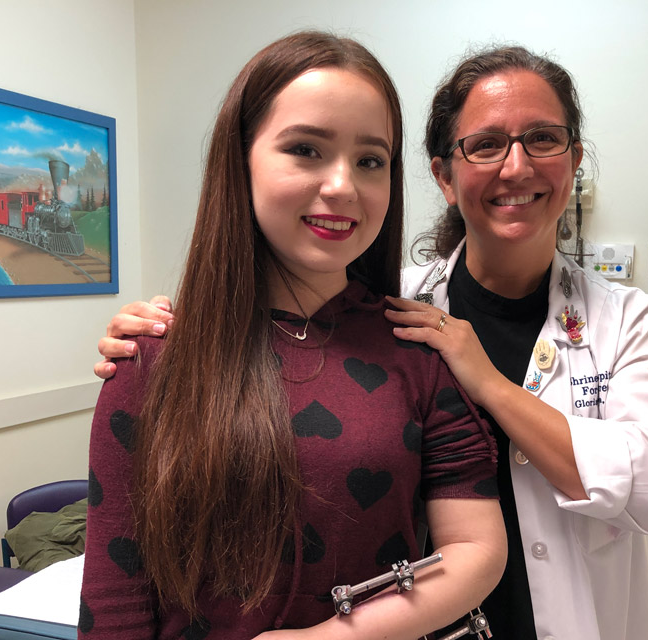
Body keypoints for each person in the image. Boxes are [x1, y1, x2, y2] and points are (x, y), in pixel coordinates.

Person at [95, 44, 648, 640]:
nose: (516, 167)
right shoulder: (399, 316)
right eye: (486, 144)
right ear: (443, 174)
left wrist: (487, 383)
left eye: (543, 139)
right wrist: (161, 336)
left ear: (574, 159)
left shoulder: (621, 322)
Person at [80, 31, 506, 640]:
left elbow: (476, 548)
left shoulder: (416, 350)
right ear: (241, 159)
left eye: (370, 160)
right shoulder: (151, 357)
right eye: (306, 149)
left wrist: (337, 637)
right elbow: (114, 599)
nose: (342, 185)